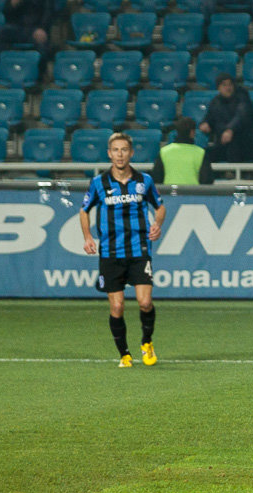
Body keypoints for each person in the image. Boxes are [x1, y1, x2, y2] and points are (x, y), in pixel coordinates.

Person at [80, 133, 167, 368]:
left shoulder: (144, 181)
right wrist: (88, 236)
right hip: (110, 253)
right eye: (115, 150)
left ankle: (147, 343)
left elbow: (159, 207)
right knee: (117, 306)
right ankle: (125, 354)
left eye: (124, 150)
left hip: (139, 250)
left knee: (145, 302)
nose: (120, 154)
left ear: (131, 153)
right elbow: (84, 210)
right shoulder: (99, 183)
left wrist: (157, 224)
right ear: (109, 154)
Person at [198, 73, 253, 167]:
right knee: (205, 154)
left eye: (230, 84)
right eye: (224, 85)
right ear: (218, 88)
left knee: (233, 143)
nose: (228, 88)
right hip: (223, 144)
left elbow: (241, 116)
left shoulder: (242, 97)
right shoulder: (216, 102)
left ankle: (233, 174)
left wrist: (230, 130)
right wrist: (205, 124)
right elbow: (209, 118)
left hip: (245, 144)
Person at [152, 117, 214, 186]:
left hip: (169, 194)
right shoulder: (201, 153)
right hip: (193, 195)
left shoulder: (164, 151)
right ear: (192, 132)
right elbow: (207, 180)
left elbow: (157, 178)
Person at [0, 0, 53, 65]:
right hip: (17, 28)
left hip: (36, 29)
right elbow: (6, 14)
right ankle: (3, 66)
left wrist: (42, 28)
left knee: (42, 42)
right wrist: (12, 4)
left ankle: (39, 72)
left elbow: (49, 12)